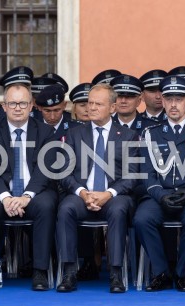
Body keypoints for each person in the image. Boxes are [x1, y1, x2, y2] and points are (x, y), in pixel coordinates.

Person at [133, 76, 185, 292]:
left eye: (179, 99)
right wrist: (160, 195)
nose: (173, 104)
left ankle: (181, 272)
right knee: (142, 219)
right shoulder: (151, 134)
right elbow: (147, 174)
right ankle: (161, 272)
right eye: (169, 99)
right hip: (160, 195)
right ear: (163, 101)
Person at [56, 83, 138, 294]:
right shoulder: (74, 134)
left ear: (112, 108)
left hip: (114, 196)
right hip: (83, 194)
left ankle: (116, 274)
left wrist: (107, 194)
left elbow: (132, 176)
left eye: (98, 104)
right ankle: (68, 272)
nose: (91, 107)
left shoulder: (128, 136)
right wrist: (83, 193)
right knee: (66, 208)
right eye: (90, 103)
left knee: (119, 210)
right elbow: (64, 172)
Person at [0, 83, 57, 292]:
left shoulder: (46, 132)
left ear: (31, 106)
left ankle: (40, 271)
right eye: (12, 103)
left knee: (47, 206)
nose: (18, 108)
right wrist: (6, 198)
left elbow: (45, 170)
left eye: (22, 103)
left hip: (34, 192)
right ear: (4, 107)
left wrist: (26, 196)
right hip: (2, 192)